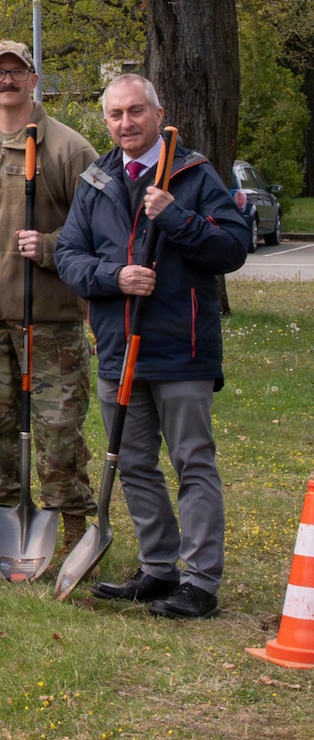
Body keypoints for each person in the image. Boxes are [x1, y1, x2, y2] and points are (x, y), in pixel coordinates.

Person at [55, 74, 247, 619]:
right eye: (115, 115)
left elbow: (233, 248)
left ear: (158, 112)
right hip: (119, 348)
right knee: (134, 463)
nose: (125, 124)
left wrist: (177, 217)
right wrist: (115, 276)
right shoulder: (96, 180)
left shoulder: (193, 174)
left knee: (192, 462)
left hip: (181, 347)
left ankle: (200, 582)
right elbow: (69, 255)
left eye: (135, 111)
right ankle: (158, 569)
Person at [0, 40, 100, 562]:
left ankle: (73, 529)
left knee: (58, 428)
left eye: (17, 71)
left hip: (49, 319)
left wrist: (50, 248)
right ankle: (8, 523)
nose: (7, 80)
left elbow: (103, 233)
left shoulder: (71, 150)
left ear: (34, 80)